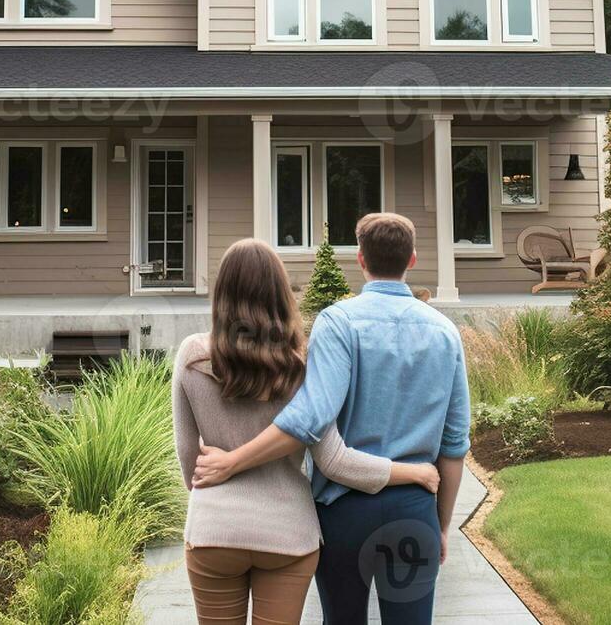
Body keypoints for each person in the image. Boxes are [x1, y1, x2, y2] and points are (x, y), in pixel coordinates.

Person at [193, 213, 470, 625]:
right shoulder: (446, 332)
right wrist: (441, 523)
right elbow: (453, 445)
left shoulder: (338, 322)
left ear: (360, 259)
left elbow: (311, 419)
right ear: (412, 260)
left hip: (343, 512)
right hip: (414, 509)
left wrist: (232, 461)